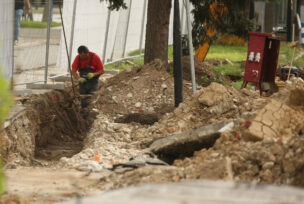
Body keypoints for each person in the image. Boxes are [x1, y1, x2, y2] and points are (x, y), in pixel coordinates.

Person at [72, 46, 105, 119]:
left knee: (92, 98)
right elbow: (73, 71)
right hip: (83, 82)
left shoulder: (95, 57)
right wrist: (78, 78)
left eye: (86, 56)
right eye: (82, 56)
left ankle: (92, 116)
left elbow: (102, 70)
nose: (84, 58)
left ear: (88, 53)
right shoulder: (78, 58)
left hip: (93, 82)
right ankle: (84, 115)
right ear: (79, 55)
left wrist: (94, 74)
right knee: (83, 99)